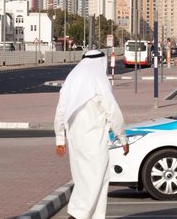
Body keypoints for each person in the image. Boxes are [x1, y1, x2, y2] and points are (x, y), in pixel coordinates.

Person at [54, 50, 129, 219]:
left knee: (83, 181)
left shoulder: (72, 80)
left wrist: (60, 139)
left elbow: (60, 111)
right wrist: (122, 137)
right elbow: (112, 111)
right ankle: (77, 215)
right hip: (94, 141)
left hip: (75, 141)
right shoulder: (99, 82)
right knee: (95, 181)